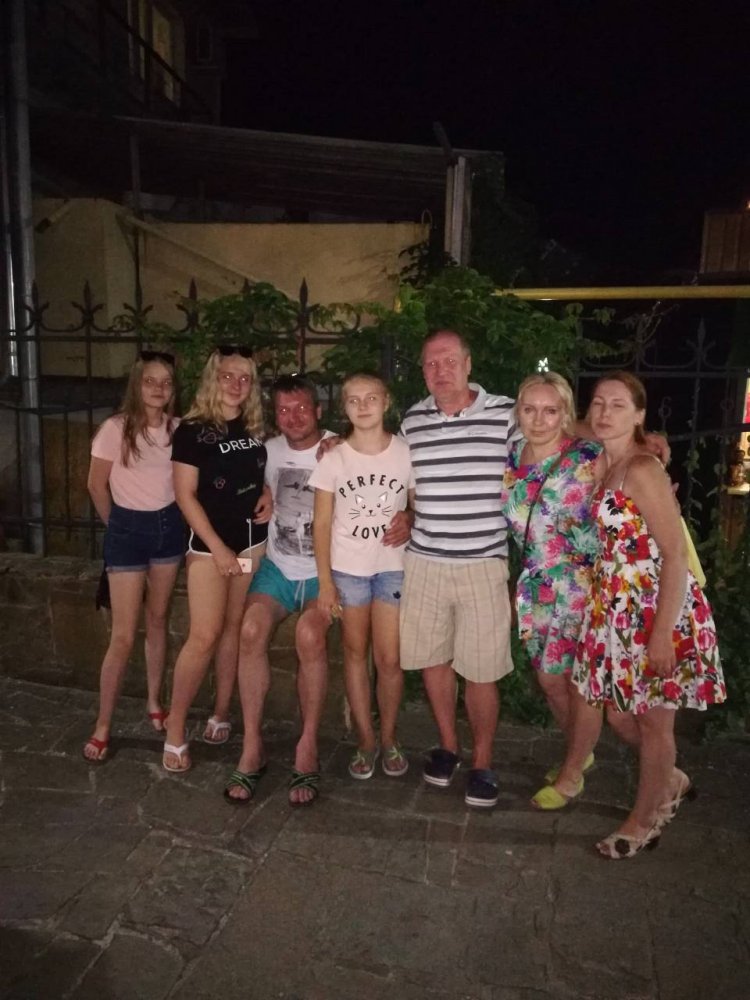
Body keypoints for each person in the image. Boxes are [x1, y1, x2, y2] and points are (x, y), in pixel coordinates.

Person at [554, 371, 725, 858]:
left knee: (652, 723)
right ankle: (667, 779)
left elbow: (674, 554)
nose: (604, 413)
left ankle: (644, 821)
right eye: (598, 403)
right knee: (619, 716)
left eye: (618, 405)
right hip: (616, 609)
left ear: (639, 415)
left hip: (654, 608)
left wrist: (663, 634)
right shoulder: (607, 459)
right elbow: (570, 424)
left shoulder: (643, 469)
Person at [399, 330, 516, 809]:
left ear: (468, 364)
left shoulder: (507, 413)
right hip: (425, 562)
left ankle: (483, 761)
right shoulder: (412, 420)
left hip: (483, 563)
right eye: (431, 363)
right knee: (434, 661)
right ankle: (448, 746)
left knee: (482, 671)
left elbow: (558, 436)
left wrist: (635, 439)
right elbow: (397, 476)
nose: (440, 370)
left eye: (449, 361)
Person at [162, 345, 271, 772]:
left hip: (251, 542)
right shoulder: (192, 430)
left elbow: (257, 474)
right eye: (228, 375)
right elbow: (184, 495)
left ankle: (221, 711)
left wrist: (267, 492)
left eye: (245, 377)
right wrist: (218, 548)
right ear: (213, 378)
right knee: (204, 635)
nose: (236, 384)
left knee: (232, 630)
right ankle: (175, 728)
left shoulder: (255, 425)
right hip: (209, 547)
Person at [224, 375, 332, 807]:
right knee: (250, 629)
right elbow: (237, 484)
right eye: (284, 410)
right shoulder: (267, 451)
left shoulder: (339, 448)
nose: (293, 417)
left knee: (310, 634)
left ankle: (308, 744)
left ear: (318, 410)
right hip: (279, 567)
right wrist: (264, 489)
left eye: (302, 407)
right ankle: (253, 745)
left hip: (326, 572)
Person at [500, 372, 604, 805]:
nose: (539, 420)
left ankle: (572, 773)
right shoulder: (512, 453)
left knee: (580, 683)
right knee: (549, 680)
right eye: (529, 409)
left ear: (565, 414)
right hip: (536, 585)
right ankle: (581, 751)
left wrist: (650, 444)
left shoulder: (588, 456)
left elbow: (633, 475)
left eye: (550, 410)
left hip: (581, 585)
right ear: (518, 412)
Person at [310, 372, 415, 781]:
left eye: (372, 397)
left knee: (389, 659)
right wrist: (325, 582)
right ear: (344, 407)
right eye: (354, 400)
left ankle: (389, 737)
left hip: (392, 567)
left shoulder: (405, 452)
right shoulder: (334, 458)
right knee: (355, 654)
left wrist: (409, 516)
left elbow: (418, 504)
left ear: (386, 402)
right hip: (349, 570)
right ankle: (366, 740)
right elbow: (321, 523)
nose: (363, 406)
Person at [83, 351, 183, 763]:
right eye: (150, 381)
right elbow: (96, 485)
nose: (158, 389)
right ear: (136, 385)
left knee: (158, 619)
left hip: (169, 529)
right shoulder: (115, 429)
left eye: (166, 382)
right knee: (123, 634)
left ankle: (154, 700)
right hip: (127, 528)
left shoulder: (179, 430)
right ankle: (103, 723)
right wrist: (117, 527)